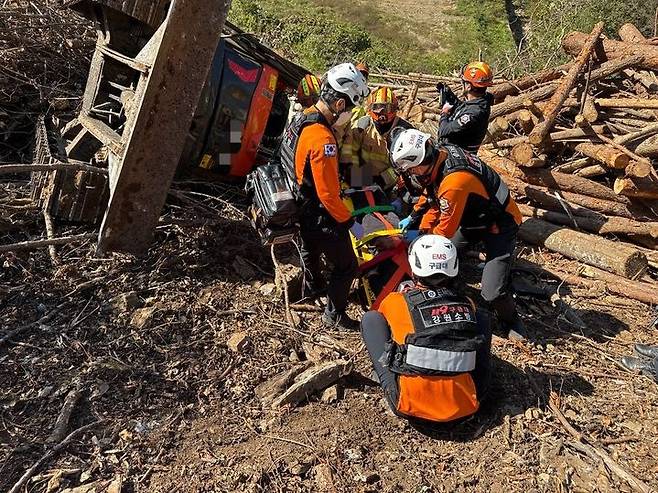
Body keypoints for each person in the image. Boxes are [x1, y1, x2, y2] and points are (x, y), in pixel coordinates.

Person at [390, 129, 527, 340]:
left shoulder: (454, 183)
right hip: (472, 217)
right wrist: (419, 223)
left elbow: (443, 233)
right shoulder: (442, 155)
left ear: (418, 163)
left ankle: (511, 321)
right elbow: (433, 197)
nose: (412, 175)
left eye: (411, 171)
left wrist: (420, 241)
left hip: (500, 224)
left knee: (491, 291)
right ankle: (450, 289)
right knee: (448, 256)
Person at [361, 234, 492, 423]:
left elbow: (385, 323)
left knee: (371, 319)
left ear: (414, 269)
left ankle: (387, 379)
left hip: (410, 405)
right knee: (481, 318)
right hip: (468, 404)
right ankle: (477, 388)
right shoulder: (467, 304)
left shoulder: (396, 302)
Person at [280, 62, 369, 330]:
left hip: (300, 202)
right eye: (351, 107)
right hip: (320, 213)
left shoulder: (303, 118)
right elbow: (329, 195)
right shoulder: (323, 140)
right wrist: (351, 223)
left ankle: (312, 289)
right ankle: (334, 315)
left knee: (309, 250)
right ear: (340, 105)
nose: (351, 114)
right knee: (346, 265)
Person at [340, 86, 413, 189]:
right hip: (364, 176)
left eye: (387, 108)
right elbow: (349, 151)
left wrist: (381, 180)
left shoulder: (405, 131)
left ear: (395, 108)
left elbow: (405, 165)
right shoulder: (362, 125)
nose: (382, 114)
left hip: (392, 180)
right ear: (370, 108)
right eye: (377, 108)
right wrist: (354, 175)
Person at [436, 61, 495, 153]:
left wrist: (444, 113)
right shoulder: (480, 102)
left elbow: (443, 131)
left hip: (455, 157)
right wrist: (450, 96)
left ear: (468, 86)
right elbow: (464, 107)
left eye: (464, 82)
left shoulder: (474, 114)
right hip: (453, 151)